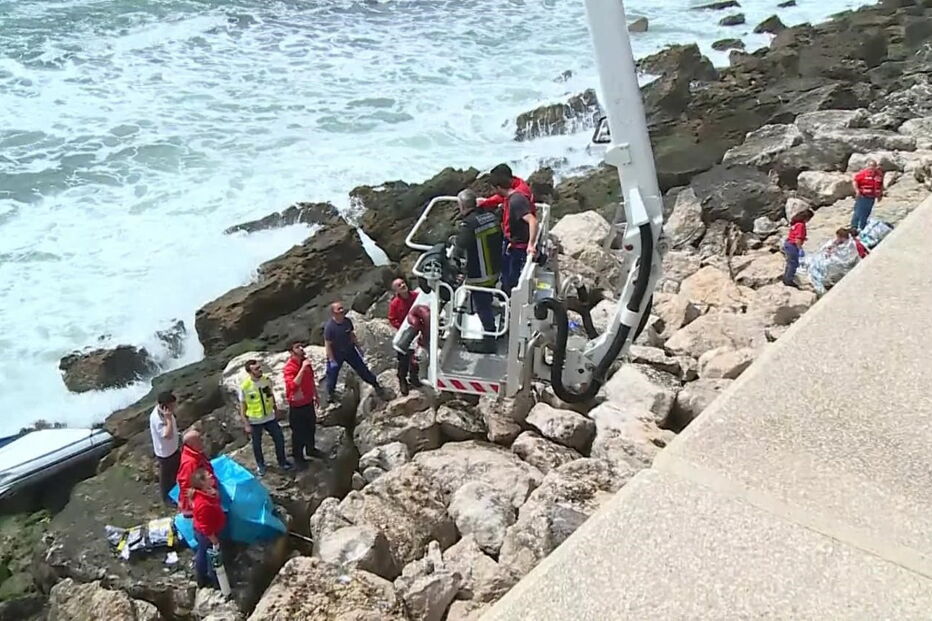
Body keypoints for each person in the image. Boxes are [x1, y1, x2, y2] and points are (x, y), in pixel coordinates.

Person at [453, 189, 503, 351]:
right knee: (487, 298)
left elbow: (460, 245)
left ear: (462, 205)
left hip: (480, 274)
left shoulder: (468, 224)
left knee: (482, 306)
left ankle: (489, 341)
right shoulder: (490, 217)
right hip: (496, 269)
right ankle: (495, 328)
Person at [324, 301, 387, 401]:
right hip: (337, 353)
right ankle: (331, 394)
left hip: (350, 350)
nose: (342, 310)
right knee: (332, 374)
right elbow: (328, 344)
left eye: (342, 308)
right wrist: (331, 359)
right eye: (338, 309)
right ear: (333, 313)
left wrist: (359, 348)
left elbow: (351, 335)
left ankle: (376, 385)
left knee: (362, 369)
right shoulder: (330, 327)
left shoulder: (347, 321)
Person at [239, 359, 292, 476]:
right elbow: (243, 407)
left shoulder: (266, 381)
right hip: (255, 420)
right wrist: (246, 424)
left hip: (269, 417)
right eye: (256, 369)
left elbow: (270, 395)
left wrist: (276, 409)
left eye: (259, 367)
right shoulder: (245, 387)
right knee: (257, 444)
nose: (259, 370)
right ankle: (261, 465)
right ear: (250, 372)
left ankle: (282, 461)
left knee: (279, 438)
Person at [490, 169, 539, 295]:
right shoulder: (512, 199)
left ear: (499, 187)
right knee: (507, 276)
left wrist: (531, 245)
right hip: (513, 243)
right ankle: (505, 296)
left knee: (513, 280)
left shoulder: (516, 201)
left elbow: (532, 221)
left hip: (519, 248)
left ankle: (510, 303)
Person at [282, 342, 324, 468]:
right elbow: (293, 386)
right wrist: (302, 369)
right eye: (297, 347)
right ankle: (298, 457)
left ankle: (311, 449)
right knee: (298, 432)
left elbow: (311, 379)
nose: (301, 349)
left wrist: (316, 395)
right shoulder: (289, 368)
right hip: (297, 406)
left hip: (308, 401)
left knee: (311, 427)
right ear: (291, 352)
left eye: (301, 346)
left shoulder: (306, 363)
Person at [191, 467, 226, 588]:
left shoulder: (207, 492)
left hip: (209, 530)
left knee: (203, 552)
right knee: (210, 555)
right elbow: (205, 528)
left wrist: (215, 495)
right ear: (202, 483)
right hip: (206, 535)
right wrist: (214, 539)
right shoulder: (202, 504)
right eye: (208, 476)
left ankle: (206, 576)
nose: (211, 476)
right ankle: (211, 580)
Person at [387, 278, 421, 396]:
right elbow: (392, 319)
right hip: (405, 334)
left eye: (403, 283)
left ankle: (414, 377)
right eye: (399, 285)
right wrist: (402, 327)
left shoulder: (416, 296)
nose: (402, 285)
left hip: (418, 331)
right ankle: (402, 379)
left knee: (416, 356)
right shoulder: (395, 303)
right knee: (403, 358)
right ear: (396, 290)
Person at [149, 391, 180, 506]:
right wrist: (168, 419)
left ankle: (176, 492)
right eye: (172, 405)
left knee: (176, 472)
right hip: (165, 453)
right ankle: (166, 498)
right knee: (166, 478)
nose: (174, 407)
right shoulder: (157, 418)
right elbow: (167, 435)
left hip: (173, 448)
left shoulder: (166, 412)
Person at [177, 429, 216, 517]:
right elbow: (186, 486)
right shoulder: (189, 463)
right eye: (199, 440)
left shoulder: (196, 455)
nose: (202, 441)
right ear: (192, 445)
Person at [851, 159, 884, 231]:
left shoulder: (878, 175)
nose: (872, 168)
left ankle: (862, 227)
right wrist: (857, 191)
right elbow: (855, 181)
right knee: (858, 212)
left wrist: (880, 194)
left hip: (872, 197)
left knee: (866, 213)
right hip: (862, 196)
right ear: (868, 166)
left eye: (874, 166)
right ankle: (854, 226)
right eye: (870, 166)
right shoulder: (863, 174)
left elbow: (881, 185)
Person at [783, 208, 812, 287]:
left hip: (788, 243)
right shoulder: (801, 225)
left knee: (789, 262)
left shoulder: (796, 223)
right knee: (794, 263)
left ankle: (786, 277)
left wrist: (803, 238)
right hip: (792, 246)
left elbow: (794, 234)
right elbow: (797, 239)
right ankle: (789, 280)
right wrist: (800, 249)